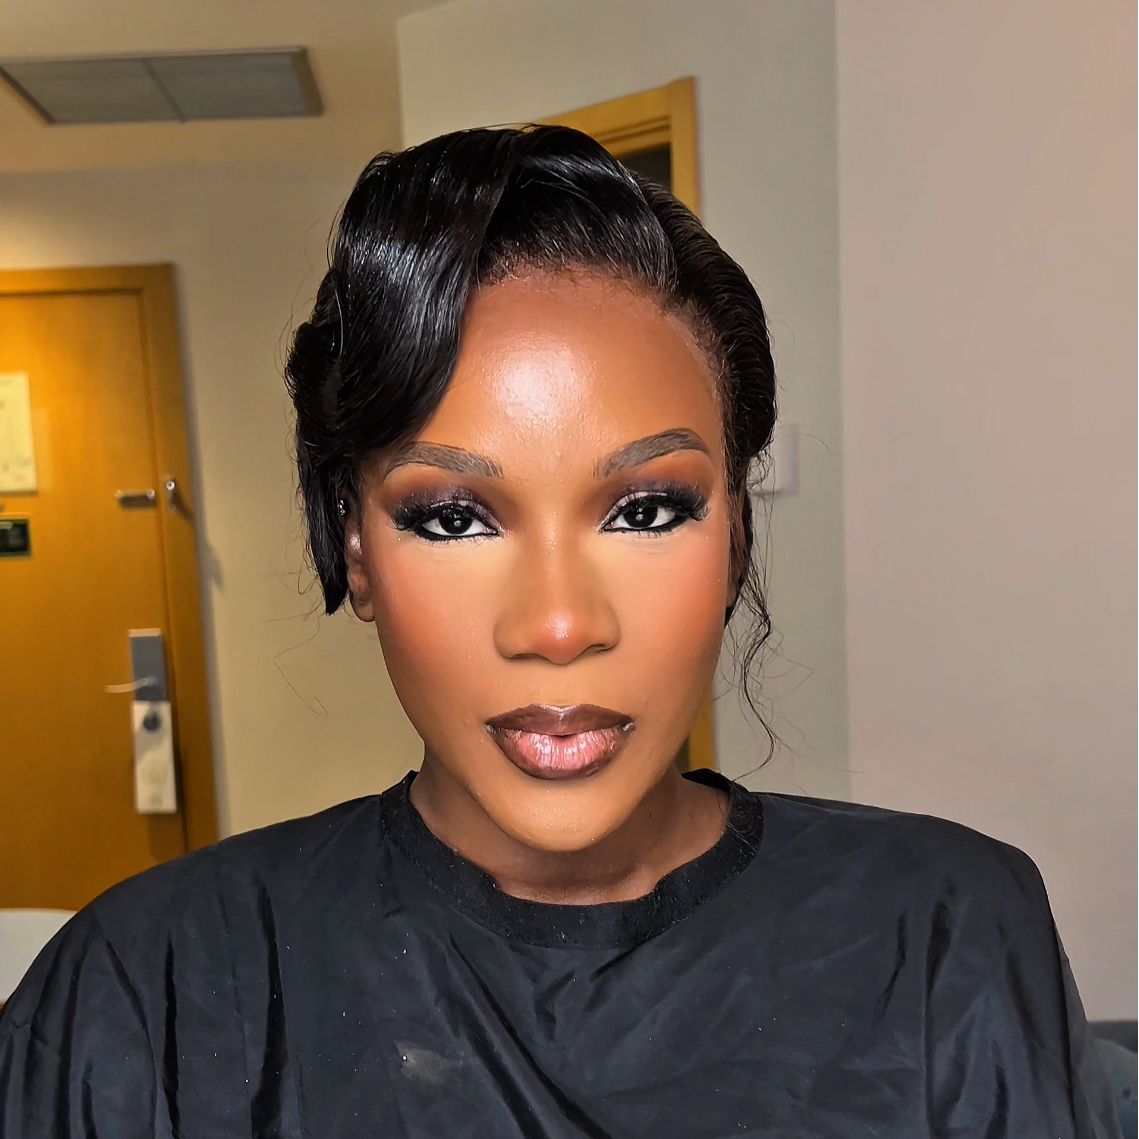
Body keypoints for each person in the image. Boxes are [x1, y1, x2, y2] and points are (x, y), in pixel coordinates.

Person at [0, 126, 1121, 1139]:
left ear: (734, 531)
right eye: (452, 517)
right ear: (355, 549)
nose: (557, 623)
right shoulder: (147, 991)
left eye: (646, 510)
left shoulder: (945, 928)